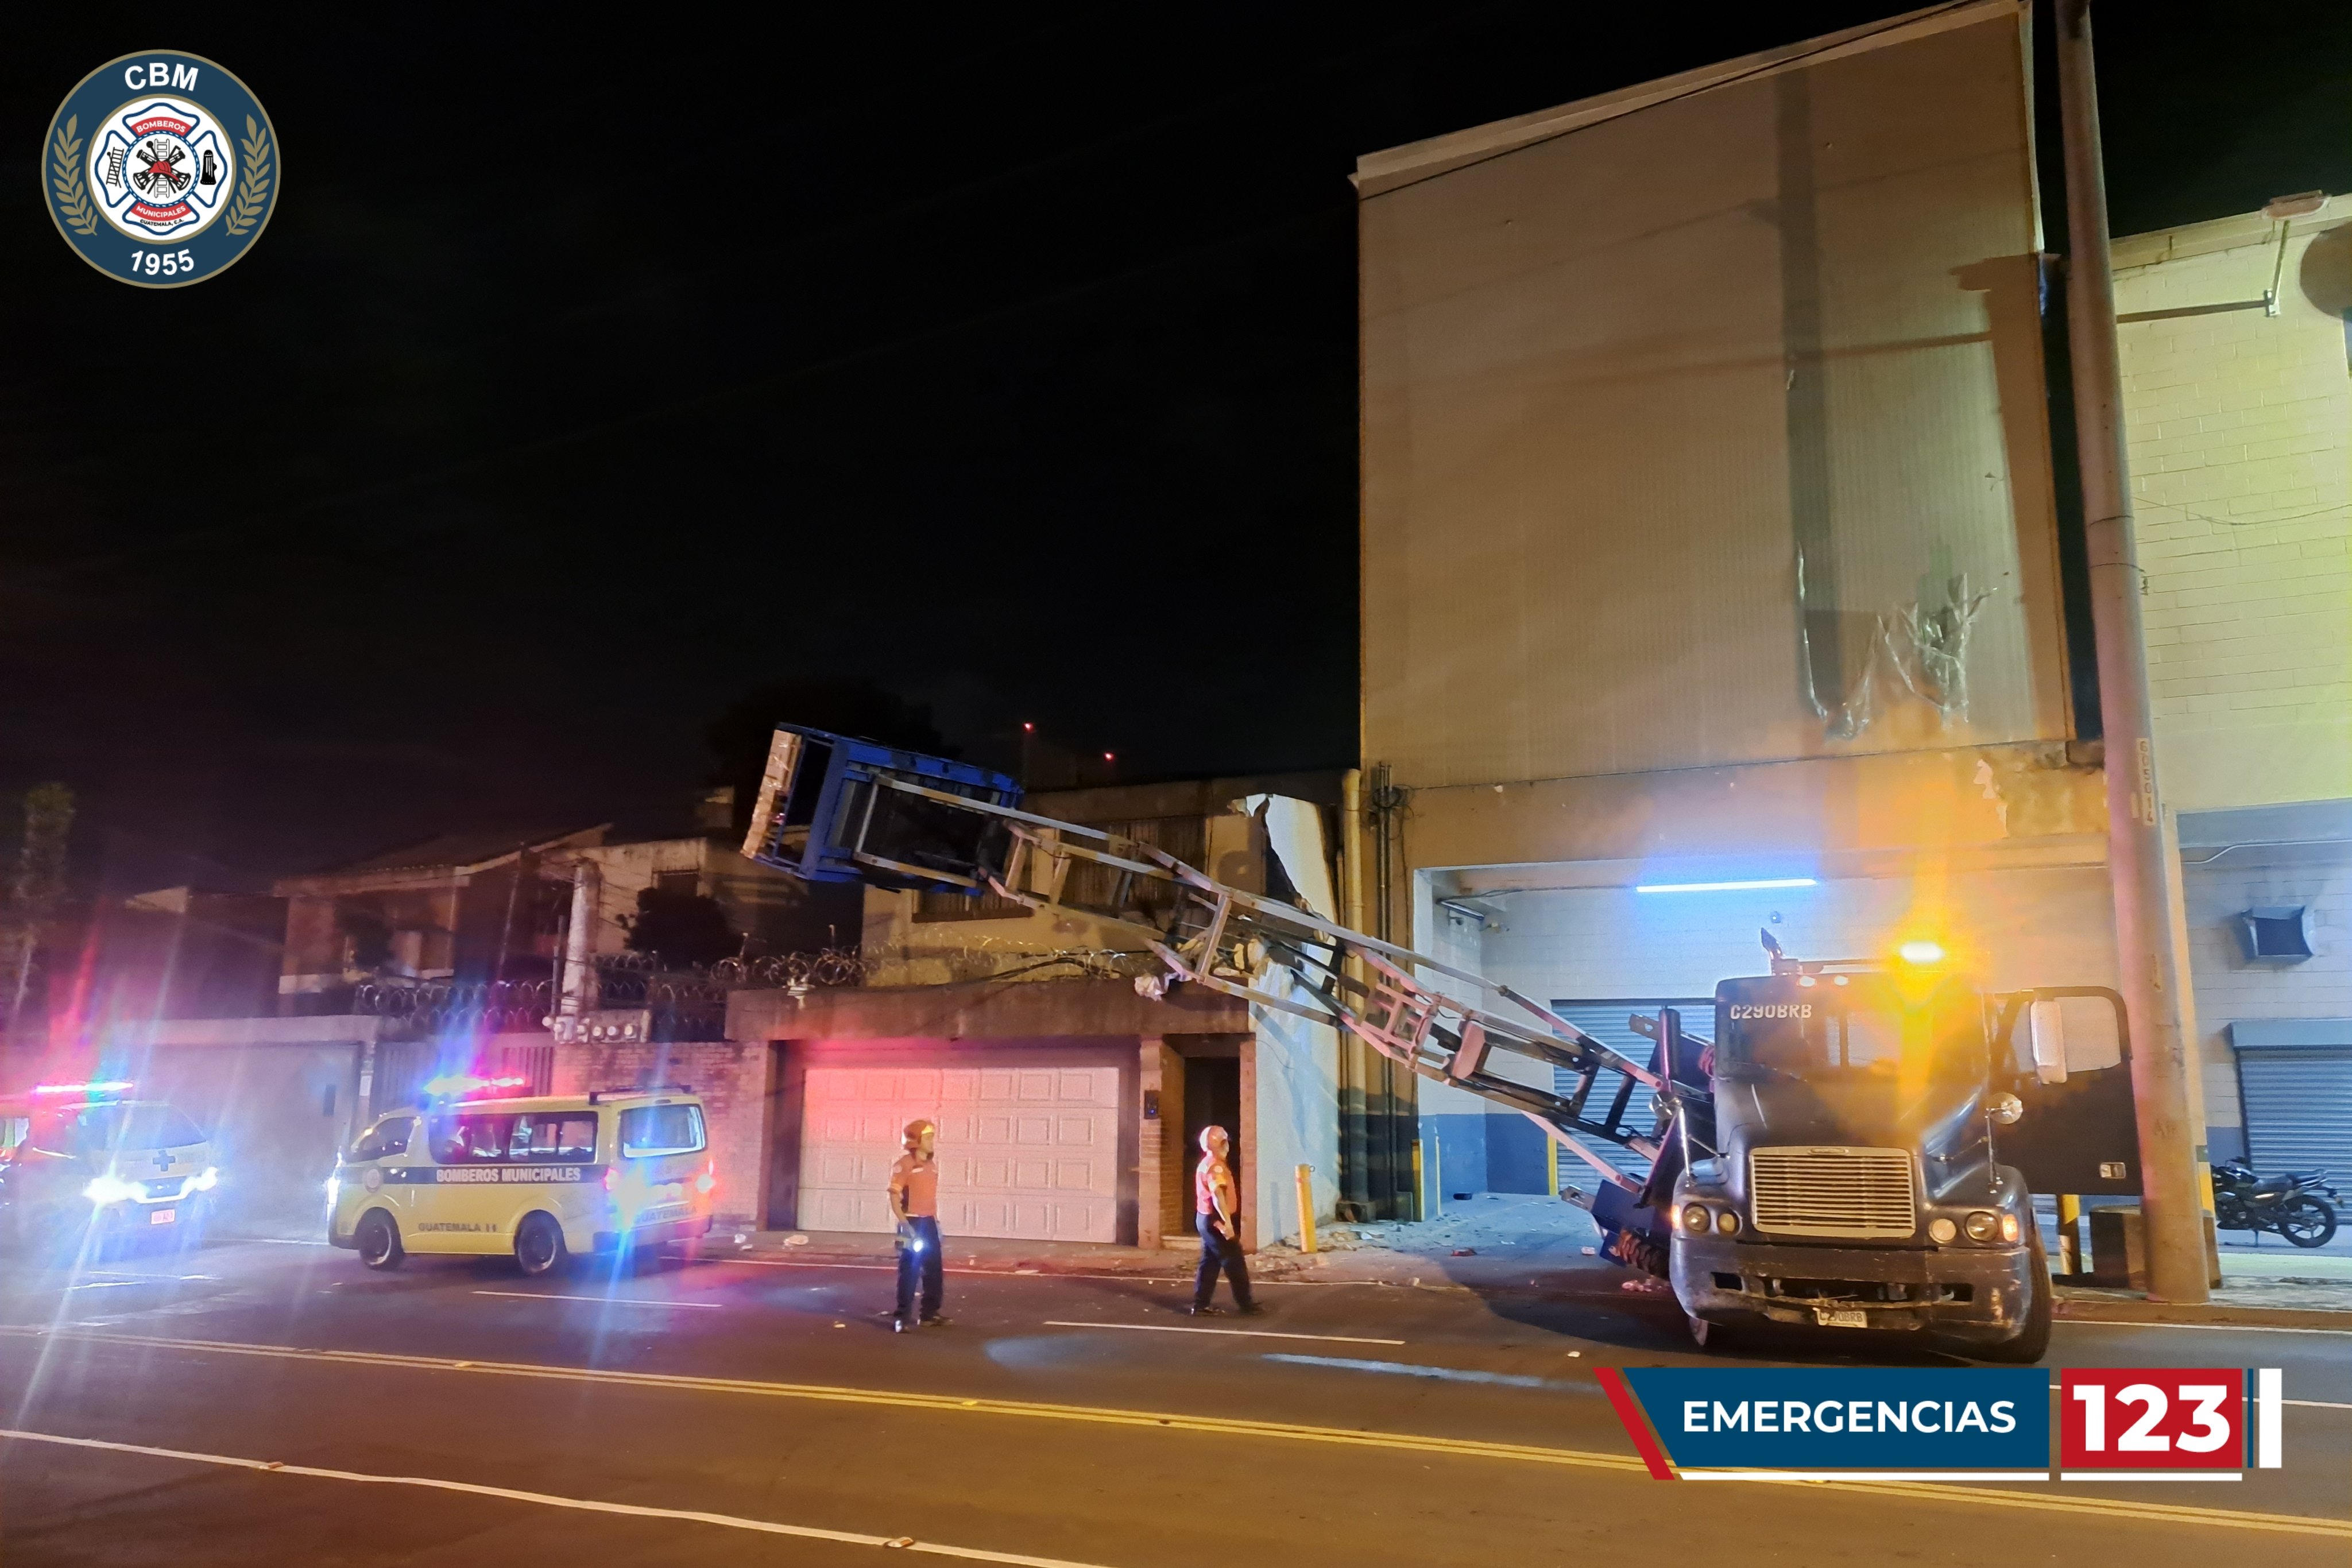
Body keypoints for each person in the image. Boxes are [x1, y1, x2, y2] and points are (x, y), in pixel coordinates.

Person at [1189, 1125, 1259, 1317]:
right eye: (1225, 1142)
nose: (1228, 1146)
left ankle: (1201, 1304)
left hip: (1204, 1218)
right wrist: (1227, 1223)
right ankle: (1246, 1304)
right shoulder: (1216, 1166)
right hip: (1216, 1220)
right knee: (1234, 1261)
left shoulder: (1206, 1163)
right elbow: (1218, 1194)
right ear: (1222, 1144)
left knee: (1210, 1262)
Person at [888, 1118, 944, 1332]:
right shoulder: (905, 1165)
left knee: (934, 1270)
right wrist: (904, 1226)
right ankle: (902, 1317)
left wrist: (936, 1223)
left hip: (929, 1222)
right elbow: (894, 1196)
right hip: (911, 1221)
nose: (932, 1141)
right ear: (916, 1140)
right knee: (910, 1271)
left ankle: (930, 1314)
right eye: (928, 1137)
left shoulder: (931, 1165)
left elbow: (929, 1197)